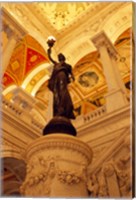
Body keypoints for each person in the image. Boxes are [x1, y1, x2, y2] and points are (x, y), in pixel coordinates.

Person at [47, 47, 75, 119]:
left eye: (61, 56)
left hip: (63, 76)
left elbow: (71, 73)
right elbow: (51, 59)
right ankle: (58, 108)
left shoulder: (67, 65)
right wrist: (49, 52)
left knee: (63, 90)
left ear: (63, 58)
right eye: (59, 57)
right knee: (57, 93)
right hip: (56, 77)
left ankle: (63, 107)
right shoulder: (57, 64)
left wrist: (72, 77)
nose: (60, 57)